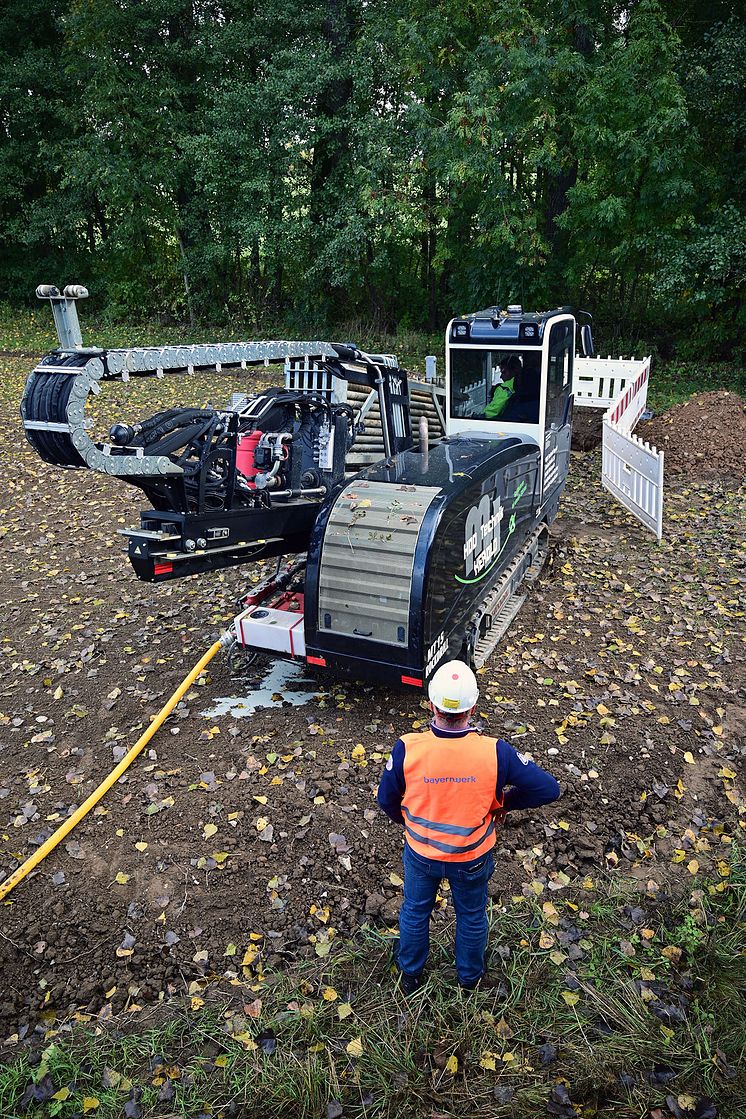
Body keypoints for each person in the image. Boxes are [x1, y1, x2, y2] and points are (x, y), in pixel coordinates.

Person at [377, 659, 560, 992]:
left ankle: (410, 977)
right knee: (472, 914)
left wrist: (411, 822)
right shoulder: (495, 752)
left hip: (421, 854)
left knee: (416, 911)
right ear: (473, 707)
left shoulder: (408, 748)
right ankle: (469, 980)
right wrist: (504, 803)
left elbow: (386, 800)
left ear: (431, 704)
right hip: (472, 857)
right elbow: (548, 789)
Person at [484, 355, 521, 419]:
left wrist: (480, 416)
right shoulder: (527, 386)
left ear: (514, 371)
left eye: (503, 372)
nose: (501, 376)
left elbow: (490, 413)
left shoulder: (504, 388)